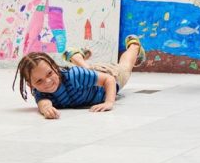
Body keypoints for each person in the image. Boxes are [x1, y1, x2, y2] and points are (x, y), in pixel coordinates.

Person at [13, 36, 145, 119]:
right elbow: (43, 103)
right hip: (88, 77)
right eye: (39, 81)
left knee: (125, 67)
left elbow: (108, 80)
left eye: (49, 73)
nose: (47, 81)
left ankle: (134, 46)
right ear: (31, 85)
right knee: (87, 71)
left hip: (108, 76)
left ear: (55, 67)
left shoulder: (73, 75)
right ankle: (75, 55)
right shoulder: (40, 91)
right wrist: (46, 109)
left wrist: (109, 102)